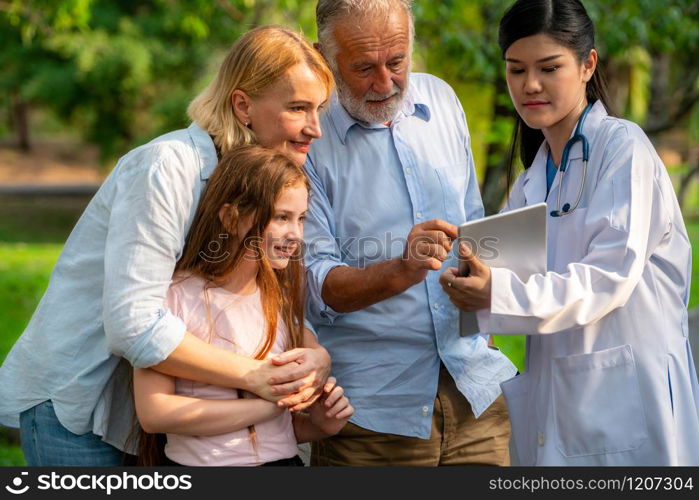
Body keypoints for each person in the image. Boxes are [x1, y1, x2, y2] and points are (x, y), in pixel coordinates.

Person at [0, 25, 335, 466]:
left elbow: (270, 304)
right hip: (80, 404)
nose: (316, 128)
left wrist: (318, 359)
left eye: (319, 110)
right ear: (243, 105)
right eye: (298, 108)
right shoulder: (167, 167)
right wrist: (260, 379)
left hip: (157, 417)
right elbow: (134, 324)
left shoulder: (258, 186)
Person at [441, 0, 699, 465]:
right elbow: (496, 292)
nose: (530, 85)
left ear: (588, 65)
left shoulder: (623, 149)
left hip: (627, 398)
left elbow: (606, 279)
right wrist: (465, 285)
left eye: (548, 67)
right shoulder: (532, 180)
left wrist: (493, 293)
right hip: (556, 404)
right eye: (516, 70)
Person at [303, 0, 517, 466]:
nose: (385, 83)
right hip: (373, 416)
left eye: (396, 61)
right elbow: (314, 286)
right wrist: (402, 269)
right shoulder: (307, 137)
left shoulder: (441, 100)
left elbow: (474, 224)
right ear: (323, 57)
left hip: (475, 391)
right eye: (364, 67)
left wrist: (487, 325)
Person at [133, 146, 353, 466]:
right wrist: (273, 404)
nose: (295, 234)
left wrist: (321, 422)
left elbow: (282, 429)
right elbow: (155, 413)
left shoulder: (280, 296)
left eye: (301, 219)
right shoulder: (175, 295)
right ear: (231, 218)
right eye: (281, 217)